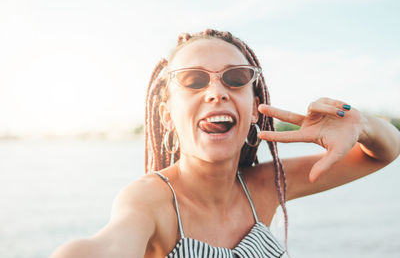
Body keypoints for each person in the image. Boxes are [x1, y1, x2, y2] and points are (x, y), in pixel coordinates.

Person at [50, 29, 400, 258]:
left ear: (252, 109)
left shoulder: (265, 187)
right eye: (193, 80)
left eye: (235, 79)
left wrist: (362, 124)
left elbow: (386, 151)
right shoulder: (151, 200)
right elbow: (104, 247)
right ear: (167, 114)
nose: (216, 92)